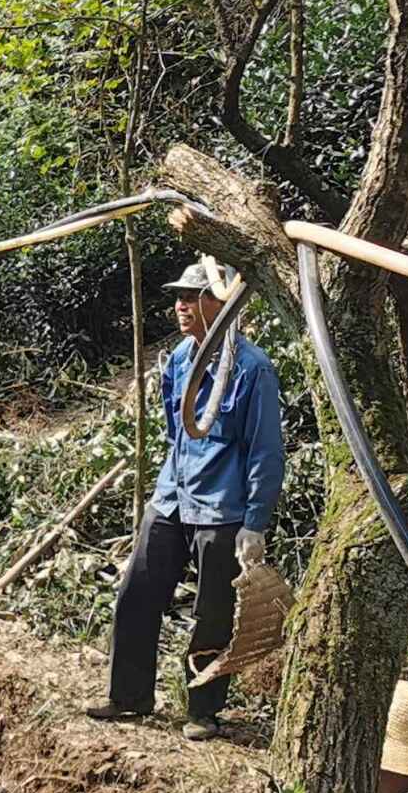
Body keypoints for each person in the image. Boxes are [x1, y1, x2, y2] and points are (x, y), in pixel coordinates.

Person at [90, 255, 287, 730]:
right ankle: (130, 697)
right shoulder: (180, 360)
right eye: (177, 297)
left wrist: (255, 523)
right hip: (173, 498)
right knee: (137, 592)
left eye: (190, 297)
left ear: (218, 303)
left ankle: (203, 710)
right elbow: (176, 432)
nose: (180, 305)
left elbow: (265, 450)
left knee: (212, 614)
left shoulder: (252, 369)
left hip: (222, 510)